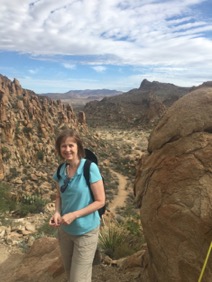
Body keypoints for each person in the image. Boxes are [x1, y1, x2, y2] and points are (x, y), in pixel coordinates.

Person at [49, 129, 105, 282]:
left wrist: (74, 214)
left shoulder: (89, 168)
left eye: (71, 145)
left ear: (78, 147)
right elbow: (59, 196)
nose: (67, 150)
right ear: (59, 149)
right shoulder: (61, 170)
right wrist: (57, 212)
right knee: (70, 273)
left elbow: (100, 201)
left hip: (86, 232)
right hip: (65, 231)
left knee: (78, 279)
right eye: (63, 146)